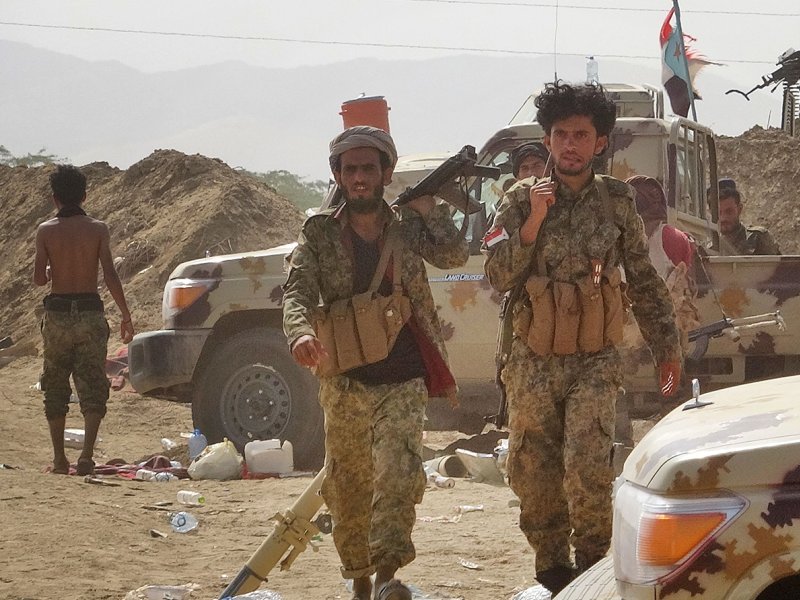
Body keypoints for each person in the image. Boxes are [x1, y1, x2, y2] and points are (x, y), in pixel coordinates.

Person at [484, 82, 681, 595]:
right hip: (533, 357)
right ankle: (551, 569)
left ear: (600, 142)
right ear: (548, 140)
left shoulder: (617, 201)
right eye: (560, 134)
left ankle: (592, 567)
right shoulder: (518, 200)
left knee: (588, 460)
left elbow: (642, 277)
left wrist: (667, 347)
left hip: (594, 357)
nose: (569, 144)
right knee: (533, 467)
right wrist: (533, 223)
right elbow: (498, 276)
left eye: (580, 135)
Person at [281, 126, 469, 600]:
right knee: (348, 484)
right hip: (345, 377)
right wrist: (300, 332)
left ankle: (387, 578)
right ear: (338, 176)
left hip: (403, 373)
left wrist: (431, 209)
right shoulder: (320, 233)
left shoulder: (407, 225)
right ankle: (361, 580)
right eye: (351, 170)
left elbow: (454, 255)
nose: (360, 177)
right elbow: (297, 290)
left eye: (369, 168)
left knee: (399, 472)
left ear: (386, 173)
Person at [33, 164, 135, 476]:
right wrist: (125, 315)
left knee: (55, 384)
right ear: (85, 196)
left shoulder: (46, 231)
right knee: (92, 382)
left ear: (55, 198)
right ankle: (87, 455)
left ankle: (60, 459)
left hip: (58, 313)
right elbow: (110, 274)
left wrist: (51, 270)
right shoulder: (98, 229)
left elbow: (39, 279)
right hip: (91, 312)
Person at [627, 175, 702, 353]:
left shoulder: (615, 237)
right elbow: (685, 289)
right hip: (666, 340)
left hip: (626, 340)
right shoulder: (674, 238)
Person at [712, 177, 781, 256]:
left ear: (739, 209)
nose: (723, 218)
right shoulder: (710, 248)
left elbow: (780, 263)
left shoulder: (757, 238)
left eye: (729, 211)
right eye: (718, 213)